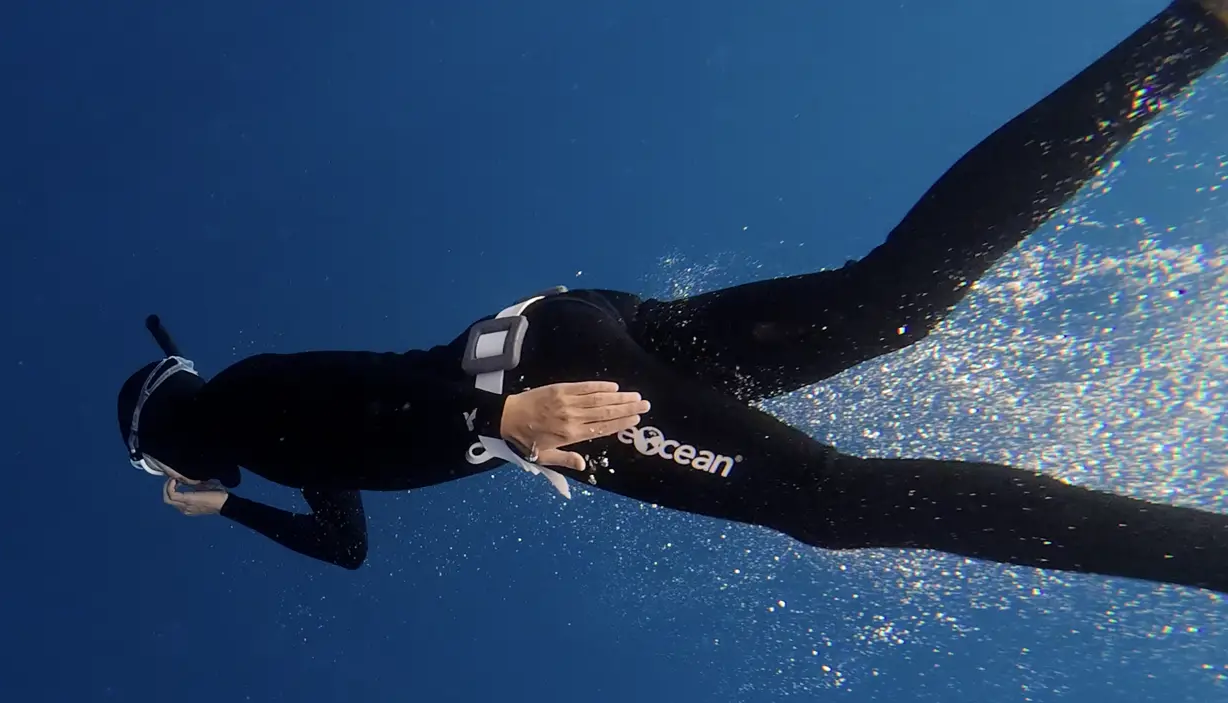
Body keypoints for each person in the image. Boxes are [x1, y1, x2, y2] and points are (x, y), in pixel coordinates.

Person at [116, 1, 1228, 591]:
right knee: (888, 301)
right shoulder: (282, 453)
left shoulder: (241, 407)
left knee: (831, 503)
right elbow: (346, 548)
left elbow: (344, 385)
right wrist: (230, 510)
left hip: (545, 385)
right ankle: (1190, 34)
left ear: (167, 434)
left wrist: (500, 417)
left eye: (166, 467)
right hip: (571, 330)